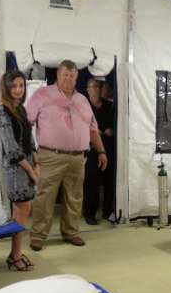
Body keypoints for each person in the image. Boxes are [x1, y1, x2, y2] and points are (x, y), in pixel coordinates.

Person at [26, 60, 108, 250]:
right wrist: (30, 152)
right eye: (65, 75)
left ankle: (71, 232)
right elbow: (26, 123)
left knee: (75, 196)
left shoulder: (82, 99)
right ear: (58, 75)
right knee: (45, 197)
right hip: (50, 155)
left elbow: (93, 128)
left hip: (78, 157)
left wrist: (101, 151)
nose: (69, 79)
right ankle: (38, 235)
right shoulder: (43, 94)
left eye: (72, 76)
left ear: (77, 77)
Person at [0, 70, 38, 271]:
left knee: (22, 211)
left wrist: (36, 161)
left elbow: (29, 138)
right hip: (16, 169)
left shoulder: (20, 108)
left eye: (21, 85)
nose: (19, 90)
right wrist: (30, 170)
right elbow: (11, 147)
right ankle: (15, 255)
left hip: (27, 164)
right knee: (21, 211)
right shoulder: (3, 110)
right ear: (6, 87)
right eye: (14, 86)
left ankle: (15, 253)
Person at [82, 78, 116, 225]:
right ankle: (89, 212)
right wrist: (95, 134)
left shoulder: (109, 106)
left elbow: (117, 124)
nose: (95, 89)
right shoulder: (83, 107)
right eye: (92, 87)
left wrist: (112, 130)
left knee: (109, 180)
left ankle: (107, 210)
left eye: (98, 86)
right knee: (91, 182)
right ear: (87, 90)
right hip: (91, 149)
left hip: (108, 148)